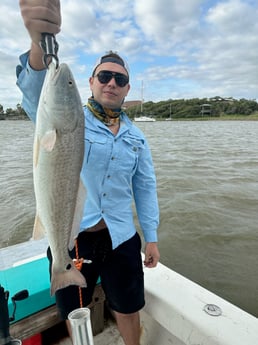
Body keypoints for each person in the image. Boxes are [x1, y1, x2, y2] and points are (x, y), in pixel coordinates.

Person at [17, 1, 160, 345]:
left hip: (122, 236)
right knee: (74, 311)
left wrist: (151, 235)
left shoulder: (137, 137)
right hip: (74, 237)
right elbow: (36, 95)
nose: (112, 82)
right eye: (105, 76)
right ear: (92, 81)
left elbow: (145, 187)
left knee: (128, 306)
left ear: (127, 89)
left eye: (120, 79)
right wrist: (40, 43)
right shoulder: (69, 119)